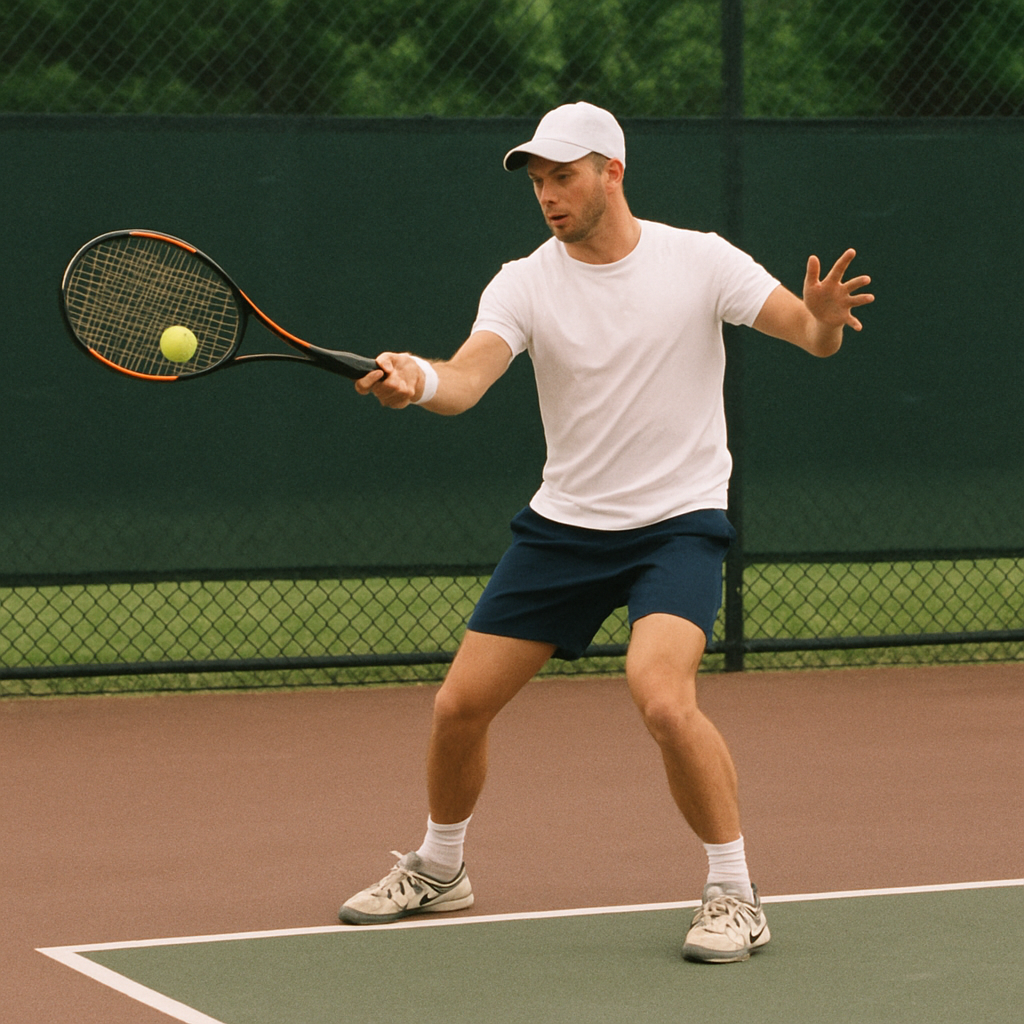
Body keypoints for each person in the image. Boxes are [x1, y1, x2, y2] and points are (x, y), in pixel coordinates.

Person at [339, 101, 873, 963]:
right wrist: (418, 380)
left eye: (563, 176)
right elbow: (466, 379)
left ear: (612, 172)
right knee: (459, 706)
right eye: (537, 182)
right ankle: (440, 867)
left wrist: (822, 319)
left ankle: (735, 893)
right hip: (565, 527)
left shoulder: (700, 260)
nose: (548, 195)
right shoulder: (522, 282)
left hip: (677, 525)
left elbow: (812, 338)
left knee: (662, 696)